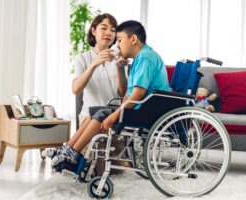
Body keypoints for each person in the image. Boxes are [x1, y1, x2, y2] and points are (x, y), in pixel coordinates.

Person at [51, 20, 170, 171]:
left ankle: (72, 154)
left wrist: (114, 116)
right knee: (95, 111)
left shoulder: (146, 58)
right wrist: (119, 109)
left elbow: (137, 94)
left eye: (119, 40)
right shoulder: (140, 59)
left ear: (133, 39)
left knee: (103, 113)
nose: (117, 45)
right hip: (141, 107)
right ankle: (69, 149)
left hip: (147, 111)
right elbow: (129, 93)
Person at [43, 13, 127, 158]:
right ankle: (66, 151)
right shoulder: (82, 58)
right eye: (104, 28)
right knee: (85, 160)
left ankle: (64, 150)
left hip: (111, 116)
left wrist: (120, 69)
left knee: (95, 162)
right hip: (88, 117)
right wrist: (94, 64)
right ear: (94, 31)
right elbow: (75, 89)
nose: (108, 33)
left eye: (113, 30)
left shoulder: (119, 59)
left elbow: (124, 93)